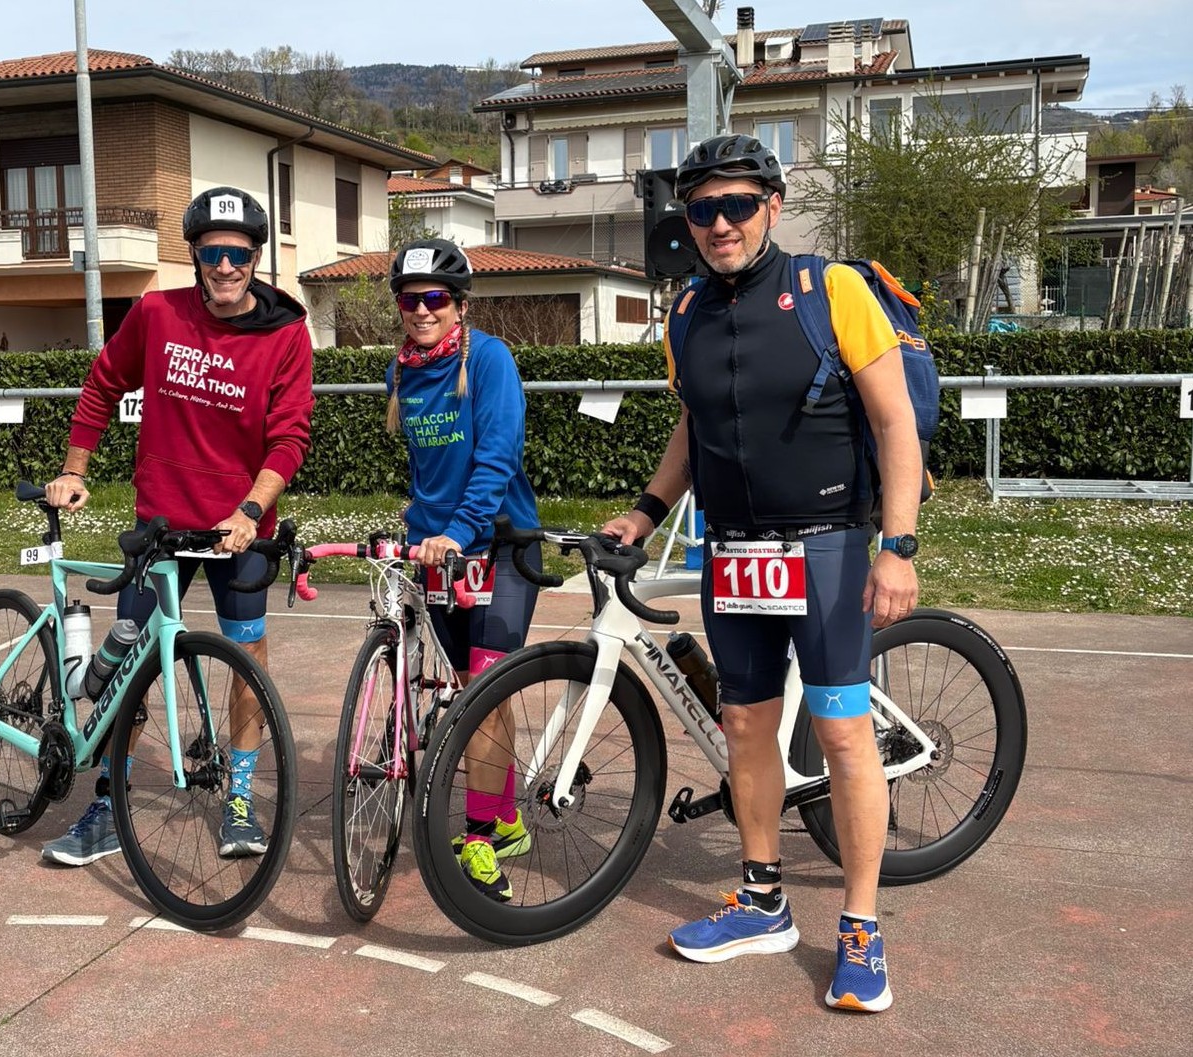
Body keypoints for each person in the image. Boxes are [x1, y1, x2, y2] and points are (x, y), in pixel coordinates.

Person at [602, 134, 921, 1013]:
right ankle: (762, 900)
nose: (719, 223)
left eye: (737, 205)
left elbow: (894, 422)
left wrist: (896, 546)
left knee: (843, 733)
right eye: (701, 209)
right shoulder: (684, 313)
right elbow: (694, 425)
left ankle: (859, 926)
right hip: (734, 551)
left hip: (826, 546)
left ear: (772, 206)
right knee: (745, 724)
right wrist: (647, 509)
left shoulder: (831, 291)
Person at [41, 185, 314, 867]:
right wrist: (74, 469)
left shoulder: (285, 332)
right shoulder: (157, 313)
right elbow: (103, 384)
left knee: (247, 660)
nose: (226, 266)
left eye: (239, 254)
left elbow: (289, 437)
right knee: (130, 661)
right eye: (213, 252)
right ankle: (108, 804)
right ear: (194, 254)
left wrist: (250, 510)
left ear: (256, 259)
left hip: (238, 528)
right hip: (160, 524)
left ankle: (241, 800)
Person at [386, 238, 540, 901]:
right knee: (465, 692)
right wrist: (419, 529)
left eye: (435, 298)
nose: (422, 309)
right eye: (410, 299)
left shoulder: (490, 359)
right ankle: (504, 818)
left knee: (484, 691)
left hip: (500, 546)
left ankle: (478, 838)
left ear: (459, 304)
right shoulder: (400, 372)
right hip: (439, 553)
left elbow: (496, 455)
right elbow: (426, 470)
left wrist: (457, 529)